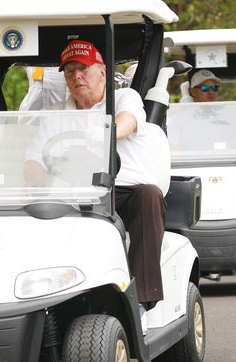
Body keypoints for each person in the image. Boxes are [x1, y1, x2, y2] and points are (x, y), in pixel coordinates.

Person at [24, 40, 166, 315]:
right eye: (70, 72)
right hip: (75, 196)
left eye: (84, 69)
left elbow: (128, 121)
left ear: (101, 72)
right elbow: (35, 156)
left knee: (150, 195)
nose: (77, 76)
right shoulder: (55, 113)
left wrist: (107, 130)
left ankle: (140, 301)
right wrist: (33, 180)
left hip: (124, 193)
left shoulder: (124, 98)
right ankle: (45, 299)